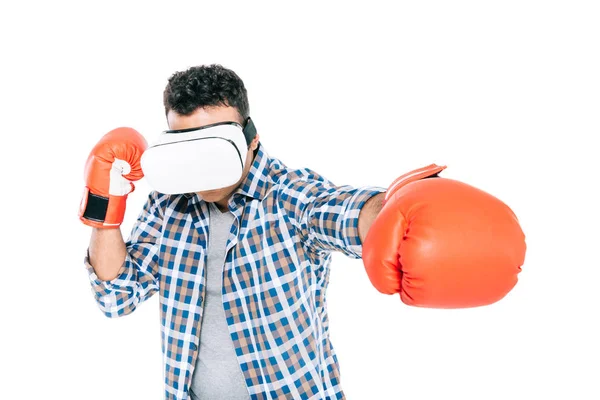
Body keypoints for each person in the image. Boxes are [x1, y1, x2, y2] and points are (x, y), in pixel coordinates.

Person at [79, 64, 526, 400]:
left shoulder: (288, 197)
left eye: (213, 144)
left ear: (250, 139)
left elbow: (341, 211)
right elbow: (116, 296)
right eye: (186, 146)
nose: (200, 165)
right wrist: (106, 208)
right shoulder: (168, 203)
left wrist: (398, 206)